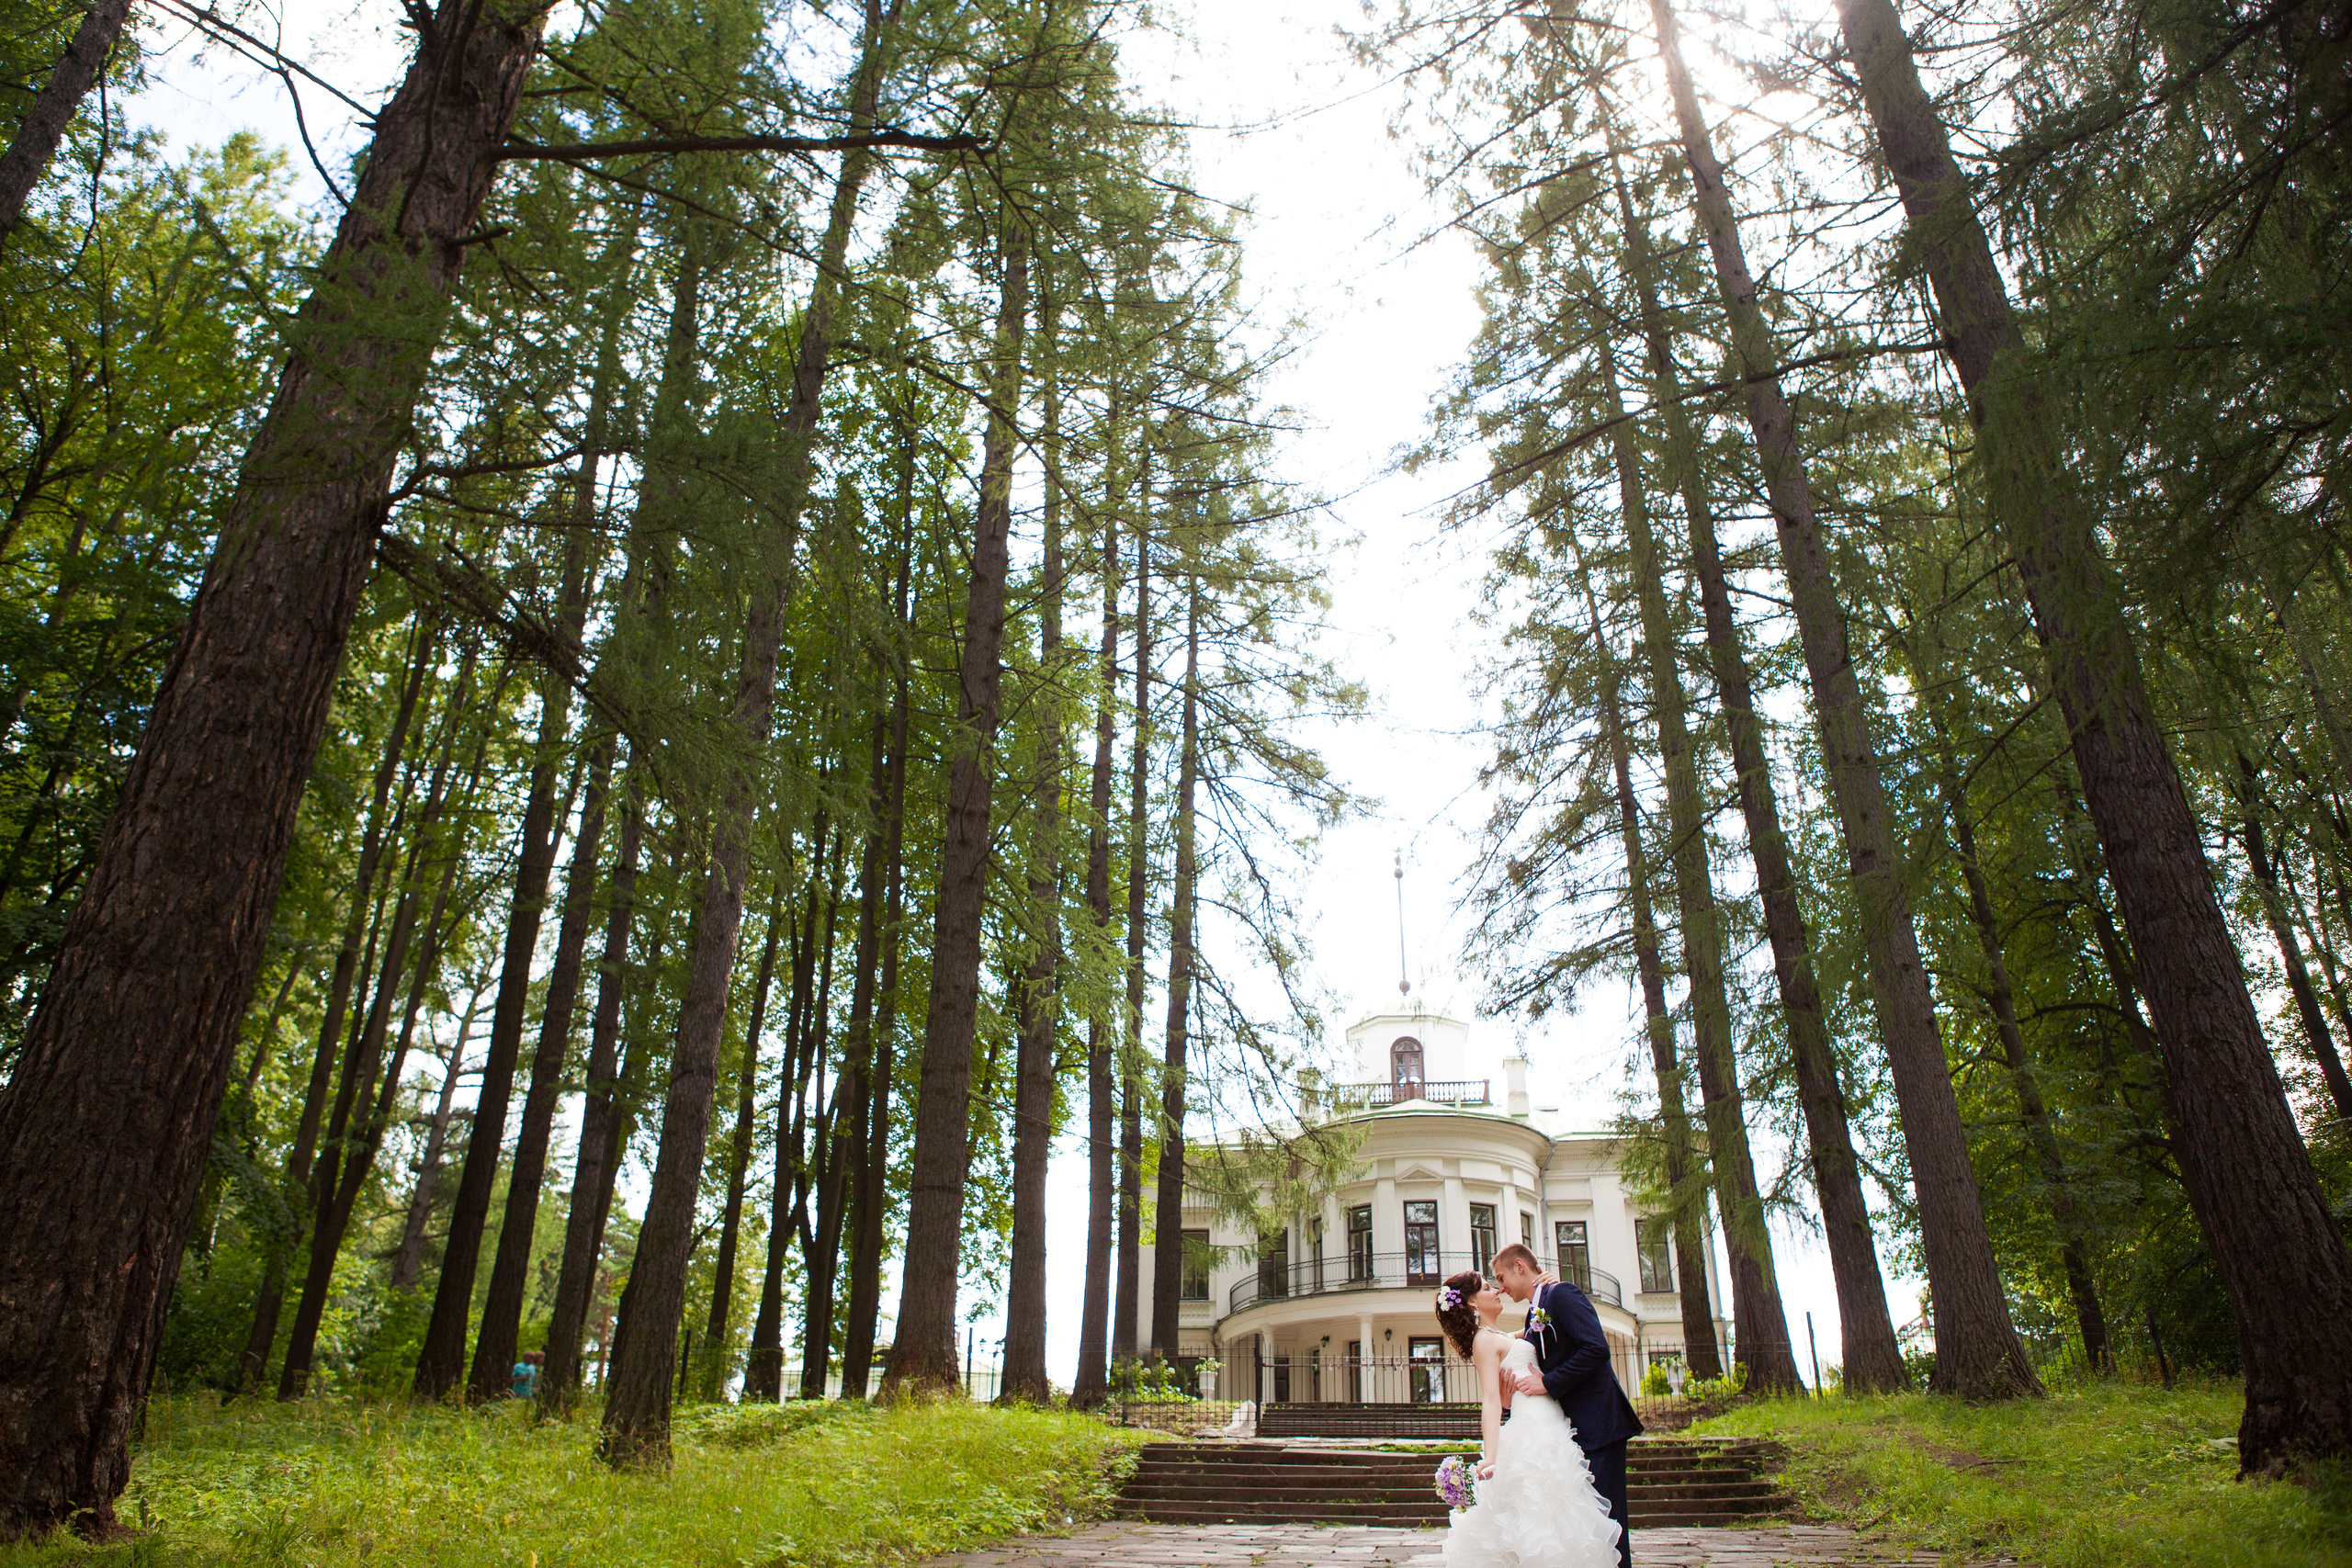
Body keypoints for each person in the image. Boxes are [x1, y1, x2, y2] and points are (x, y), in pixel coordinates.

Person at [1433, 1268, 1621, 1568]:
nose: (1496, 1290)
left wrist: (1547, 1287)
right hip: (1533, 1428)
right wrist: (1490, 1457)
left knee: (1563, 1514)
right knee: (1544, 1518)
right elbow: (1492, 1401)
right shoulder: (1483, 1341)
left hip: (1552, 1423)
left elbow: (1541, 1326)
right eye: (1486, 1288)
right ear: (1471, 1303)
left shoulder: (1499, 1335)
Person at [1494, 1243, 1644, 1568]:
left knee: (1610, 1526)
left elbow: (1596, 1349)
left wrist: (1547, 1383)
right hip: (1571, 1432)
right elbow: (1524, 1344)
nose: (1500, 1288)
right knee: (1589, 1527)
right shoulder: (1536, 1309)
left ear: (1520, 1266)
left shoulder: (1560, 1294)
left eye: (1501, 1277)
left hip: (1600, 1426)